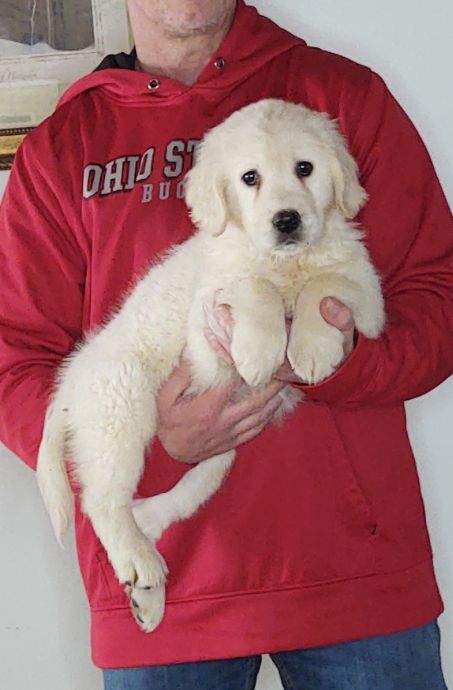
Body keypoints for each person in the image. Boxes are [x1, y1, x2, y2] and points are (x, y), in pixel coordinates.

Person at [0, 1, 452, 688]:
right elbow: (14, 358)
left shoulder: (339, 99)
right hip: (164, 591)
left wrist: (336, 359)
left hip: (353, 582)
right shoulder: (64, 147)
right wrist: (148, 440)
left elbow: (436, 295)